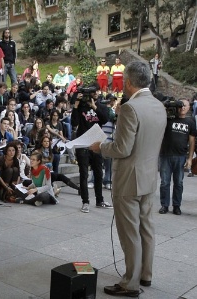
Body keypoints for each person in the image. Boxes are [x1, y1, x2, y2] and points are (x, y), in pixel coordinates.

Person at [90, 61, 167, 297]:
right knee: (146, 229)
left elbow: (122, 148)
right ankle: (146, 274)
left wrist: (100, 147)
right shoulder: (159, 106)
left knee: (130, 232)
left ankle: (130, 283)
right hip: (148, 177)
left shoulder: (130, 108)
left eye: (123, 81)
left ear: (130, 83)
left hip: (129, 180)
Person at [71, 85, 111, 213]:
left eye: (95, 92)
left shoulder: (100, 105)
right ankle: (85, 201)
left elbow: (105, 119)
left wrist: (94, 107)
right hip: (83, 144)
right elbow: (74, 123)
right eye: (91, 93)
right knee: (84, 174)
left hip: (96, 143)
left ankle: (99, 200)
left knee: (98, 173)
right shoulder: (80, 106)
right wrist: (76, 105)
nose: (93, 95)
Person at [159, 99, 195, 215]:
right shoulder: (168, 118)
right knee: (165, 182)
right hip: (166, 154)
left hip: (180, 156)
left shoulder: (190, 122)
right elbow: (158, 116)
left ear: (189, 107)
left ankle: (176, 205)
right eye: (180, 105)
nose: (182, 107)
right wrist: (168, 105)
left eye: (185, 106)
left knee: (178, 183)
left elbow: (192, 141)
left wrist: (189, 158)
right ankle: (164, 205)